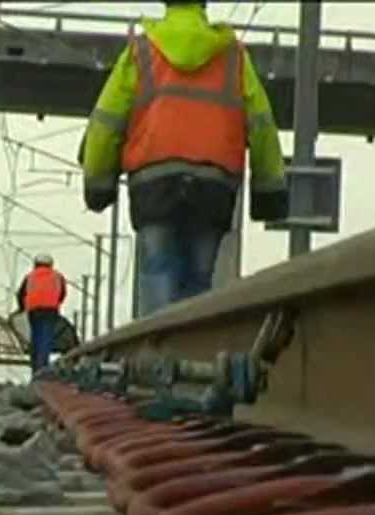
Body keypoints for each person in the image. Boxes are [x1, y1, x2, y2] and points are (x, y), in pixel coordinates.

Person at [78, 0, 289, 317]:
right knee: (200, 280)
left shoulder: (141, 52)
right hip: (213, 185)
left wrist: (98, 181)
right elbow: (261, 124)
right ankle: (192, 342)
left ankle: (156, 342)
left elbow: (106, 123)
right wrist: (269, 191)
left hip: (153, 183)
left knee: (158, 271)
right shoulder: (232, 56)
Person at [16, 254, 67, 374]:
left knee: (36, 336)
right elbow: (62, 293)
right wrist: (56, 303)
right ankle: (42, 365)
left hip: (34, 310)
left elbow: (21, 294)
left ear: (36, 264)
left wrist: (22, 308)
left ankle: (35, 364)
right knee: (46, 337)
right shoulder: (58, 276)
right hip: (51, 310)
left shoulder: (30, 276)